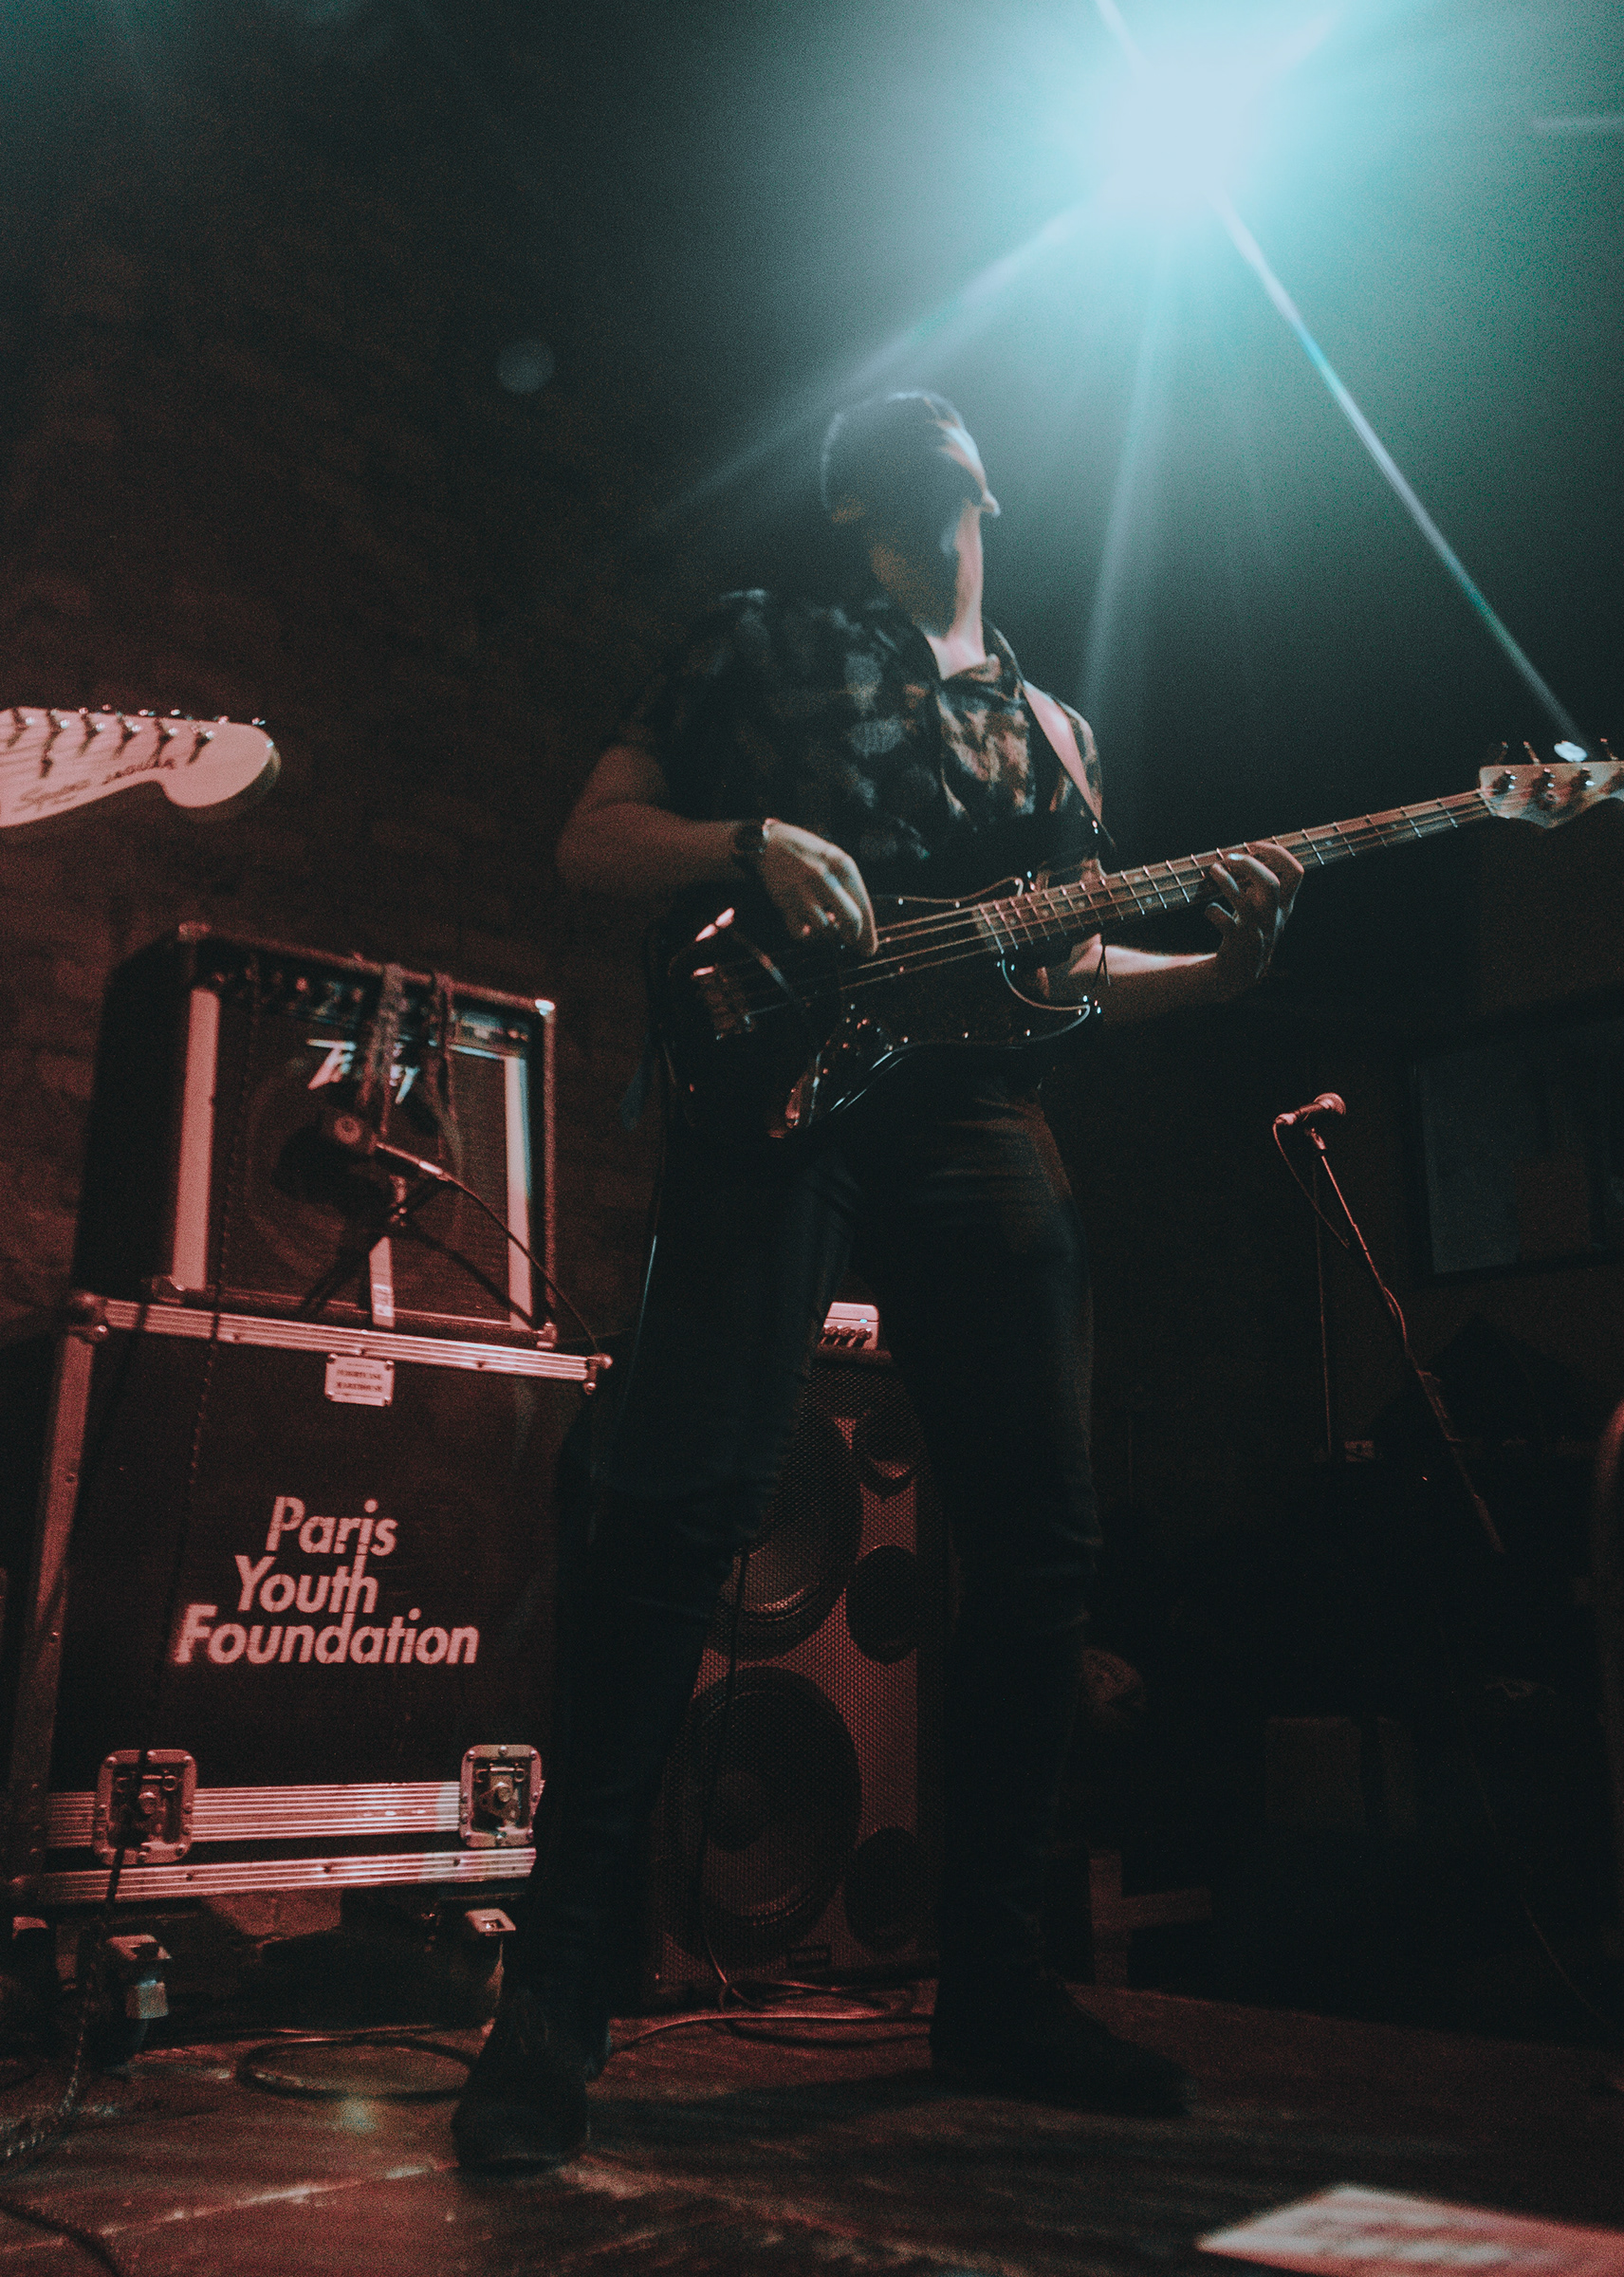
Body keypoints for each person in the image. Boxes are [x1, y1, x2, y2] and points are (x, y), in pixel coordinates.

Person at [452, 391, 1302, 2170]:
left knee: (1045, 1537)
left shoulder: (1060, 735)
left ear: (990, 480)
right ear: (853, 505)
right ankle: (556, 1997)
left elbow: (1070, 964)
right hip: (777, 1101)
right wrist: (742, 844)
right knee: (676, 1511)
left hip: (975, 1112)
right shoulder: (762, 645)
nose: (922, 429)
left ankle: (994, 1982)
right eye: (885, 432)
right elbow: (590, 838)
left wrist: (1215, 976)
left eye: (948, 418)